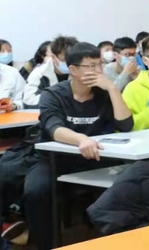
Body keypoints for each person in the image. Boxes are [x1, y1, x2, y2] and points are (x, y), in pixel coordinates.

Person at [23, 42, 134, 250]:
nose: (97, 71)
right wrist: (81, 139)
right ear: (73, 70)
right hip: (53, 160)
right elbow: (54, 128)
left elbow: (126, 125)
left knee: (127, 184)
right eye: (90, 66)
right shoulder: (53, 94)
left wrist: (112, 88)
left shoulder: (103, 94)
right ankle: (45, 244)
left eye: (99, 65)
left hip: (93, 158)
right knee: (36, 191)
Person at [23, 36, 78, 109]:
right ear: (53, 57)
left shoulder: (81, 71)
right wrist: (57, 100)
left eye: (72, 60)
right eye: (64, 60)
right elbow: (29, 100)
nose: (69, 64)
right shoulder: (40, 73)